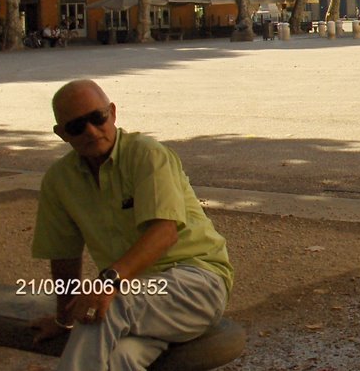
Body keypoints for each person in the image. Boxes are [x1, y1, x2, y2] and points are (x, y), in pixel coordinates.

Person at [30, 79, 233, 371]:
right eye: (76, 126)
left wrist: (108, 282)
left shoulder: (146, 155)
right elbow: (64, 256)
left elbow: (164, 233)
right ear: (61, 134)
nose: (90, 130)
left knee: (104, 307)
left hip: (196, 284)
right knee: (121, 359)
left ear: (112, 113)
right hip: (137, 298)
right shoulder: (59, 180)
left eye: (97, 118)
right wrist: (63, 319)